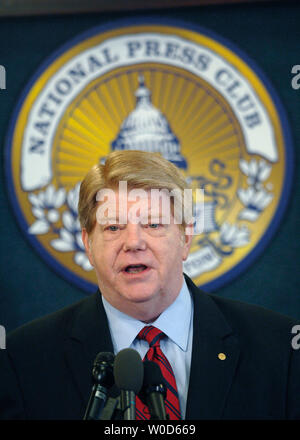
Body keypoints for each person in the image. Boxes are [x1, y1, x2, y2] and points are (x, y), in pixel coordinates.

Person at [0, 150, 299, 420]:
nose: (133, 242)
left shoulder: (281, 349)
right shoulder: (22, 359)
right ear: (88, 244)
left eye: (153, 224)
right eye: (114, 227)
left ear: (185, 237)